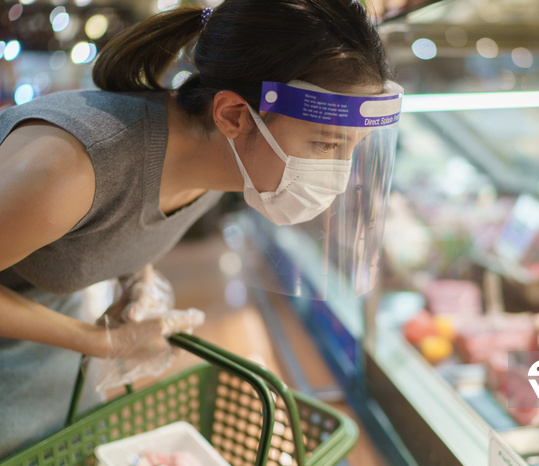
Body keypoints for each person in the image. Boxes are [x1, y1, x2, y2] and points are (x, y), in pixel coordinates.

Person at [0, 0, 398, 458]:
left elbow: (116, 213)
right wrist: (98, 341)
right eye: (326, 143)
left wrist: (135, 273)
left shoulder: (226, 157)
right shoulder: (68, 168)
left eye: (354, 148)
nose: (340, 173)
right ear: (233, 115)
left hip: (41, 353)